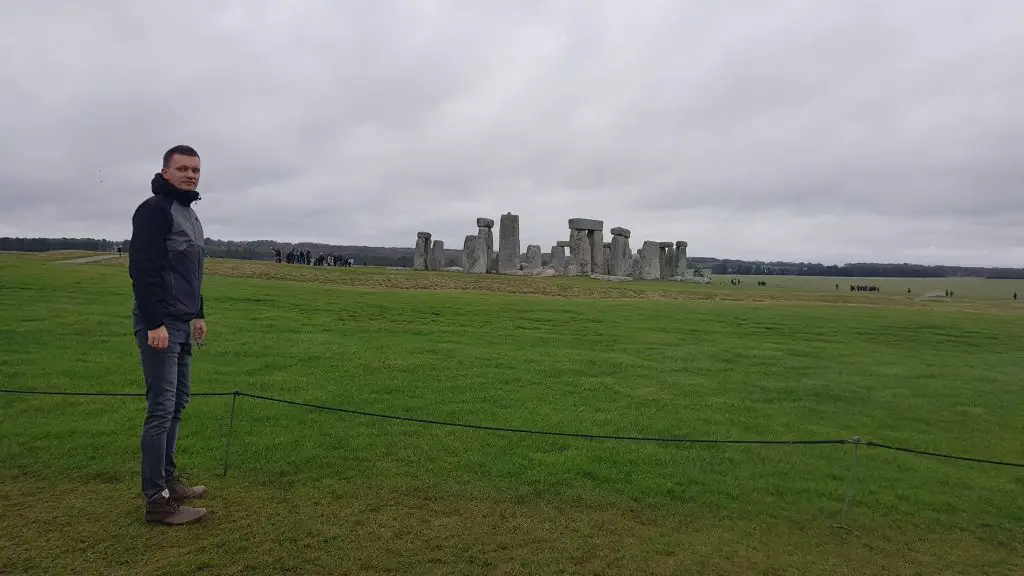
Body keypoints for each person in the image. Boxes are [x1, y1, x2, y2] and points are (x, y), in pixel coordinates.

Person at [128, 145, 210, 525]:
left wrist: (198, 314)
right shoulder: (154, 211)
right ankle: (157, 500)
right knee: (160, 409)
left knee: (178, 403)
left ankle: (169, 480)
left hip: (182, 321)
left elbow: (192, 271)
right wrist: (154, 322)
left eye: (195, 169)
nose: (190, 174)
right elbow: (142, 270)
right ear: (166, 172)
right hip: (160, 324)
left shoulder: (190, 215)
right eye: (182, 168)